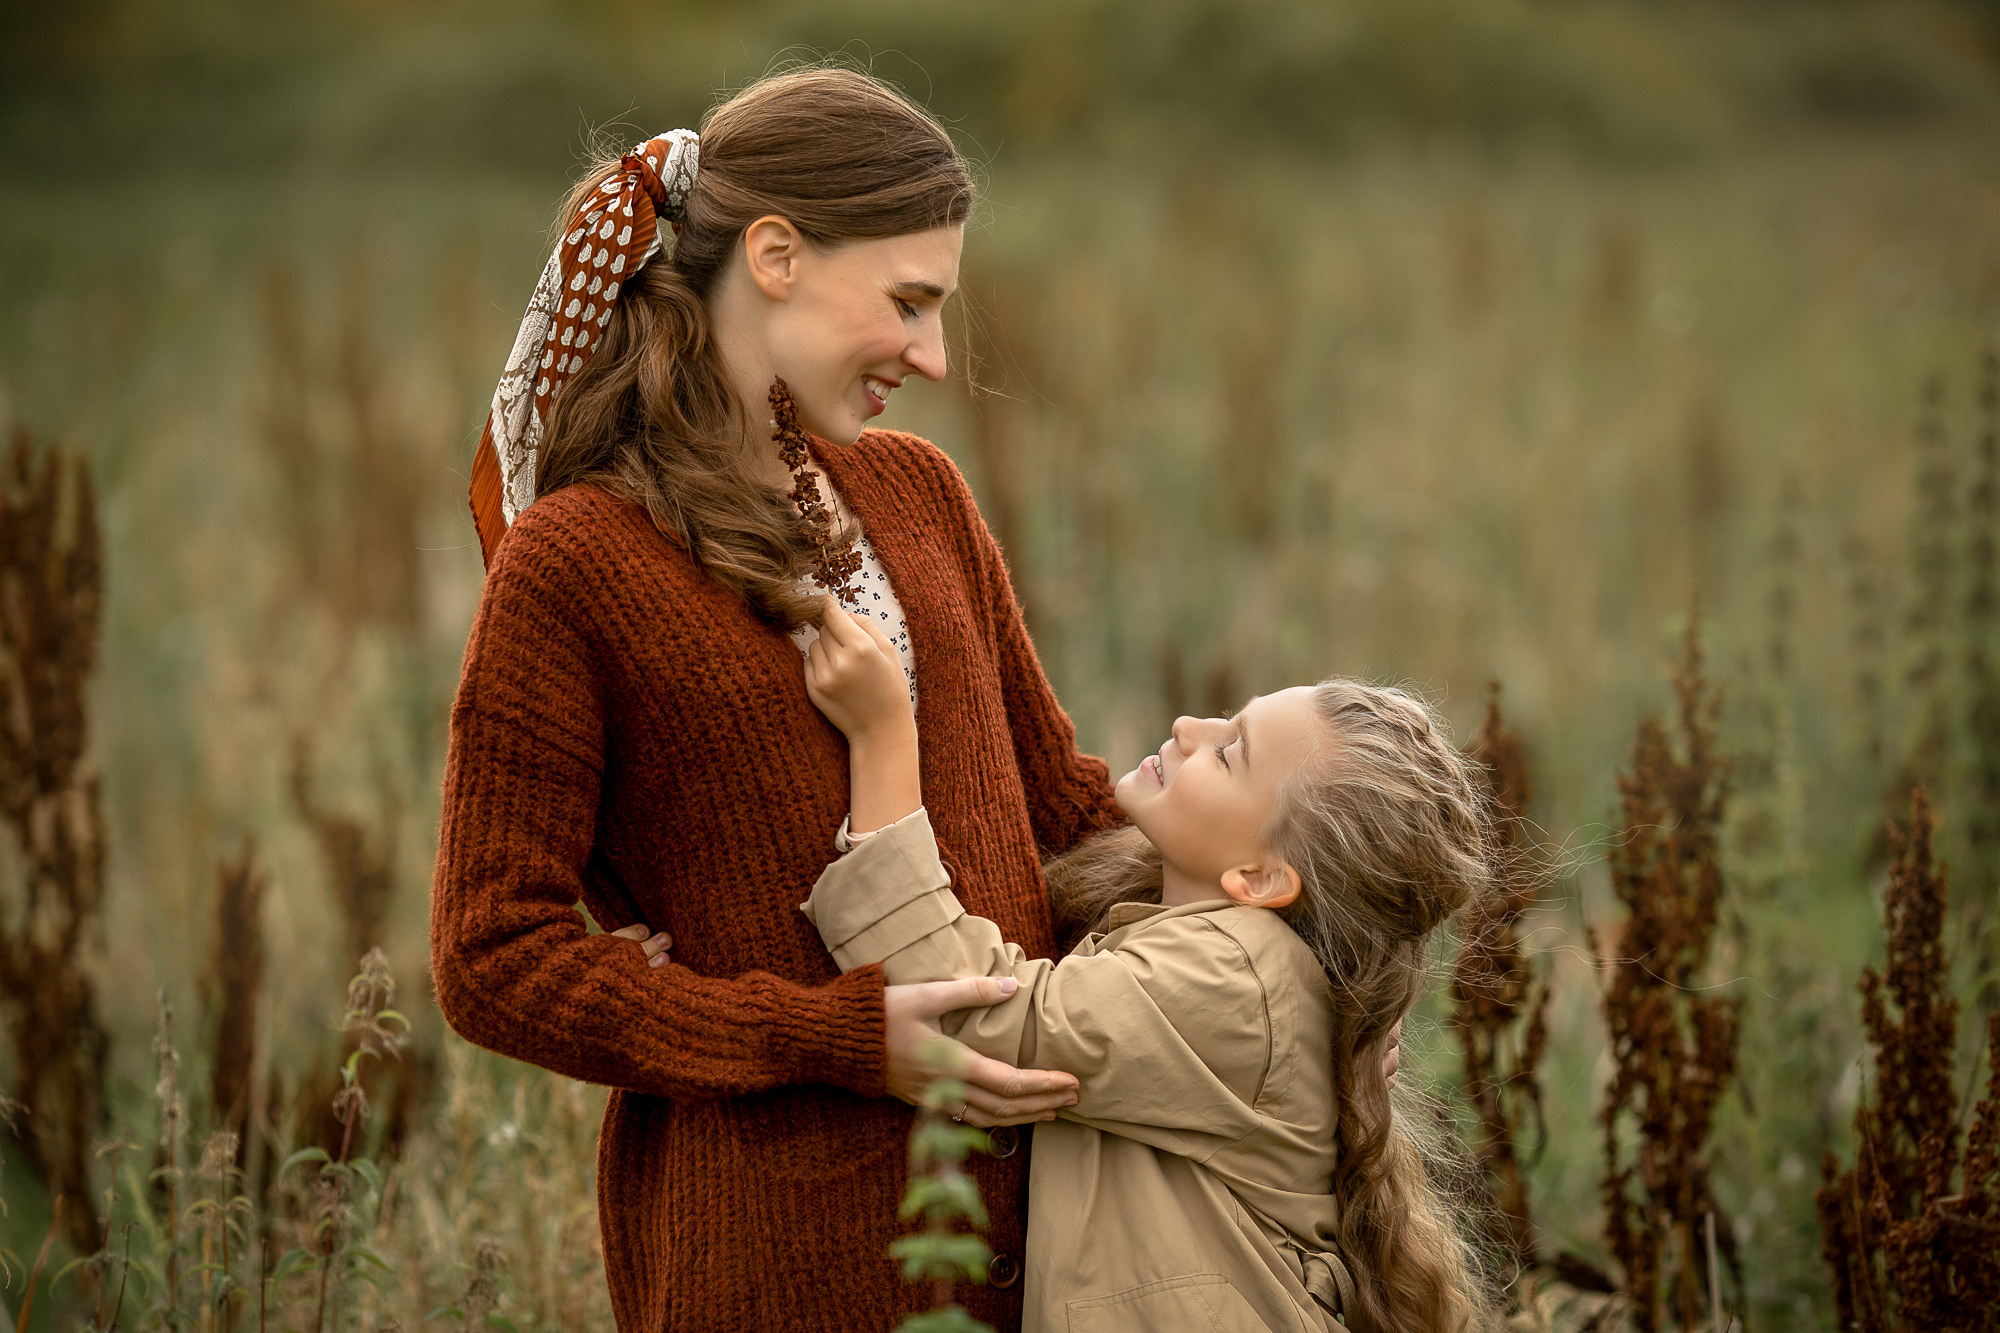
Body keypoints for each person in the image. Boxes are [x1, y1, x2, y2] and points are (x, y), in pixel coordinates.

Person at [430, 67, 1116, 1332]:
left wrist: (1273, 929)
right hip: (771, 1252)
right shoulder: (575, 564)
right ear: (777, 254)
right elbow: (490, 959)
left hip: (1044, 1245)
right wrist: (830, 1036)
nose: (932, 355)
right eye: (908, 303)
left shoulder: (919, 495)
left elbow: (1061, 808)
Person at [791, 603, 1493, 1333]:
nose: (1191, 728)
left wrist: (881, 740)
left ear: (1256, 876)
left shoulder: (1235, 980)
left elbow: (981, 1017)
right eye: (1227, 717)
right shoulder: (1228, 948)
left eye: (1229, 753)